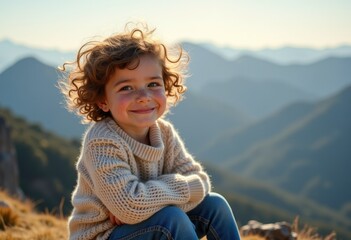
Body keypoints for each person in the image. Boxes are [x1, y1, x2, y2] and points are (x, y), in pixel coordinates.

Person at [60, 23, 241, 240]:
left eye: (154, 84)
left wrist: (144, 199)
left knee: (215, 205)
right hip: (103, 235)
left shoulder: (163, 132)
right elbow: (130, 206)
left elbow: (201, 182)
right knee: (171, 219)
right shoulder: (101, 142)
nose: (144, 95)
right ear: (103, 100)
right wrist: (141, 204)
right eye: (126, 87)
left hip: (142, 227)